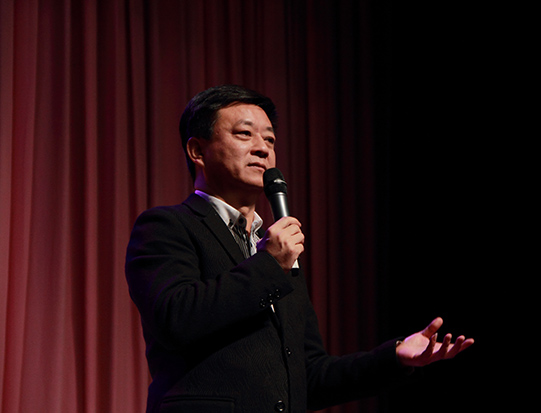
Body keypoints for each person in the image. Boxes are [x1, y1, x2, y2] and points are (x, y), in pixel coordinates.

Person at [125, 84, 474, 412]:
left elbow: (309, 374)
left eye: (270, 139)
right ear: (197, 151)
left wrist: (394, 357)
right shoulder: (167, 226)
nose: (263, 148)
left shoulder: (275, 249)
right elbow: (175, 318)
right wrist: (269, 264)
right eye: (245, 134)